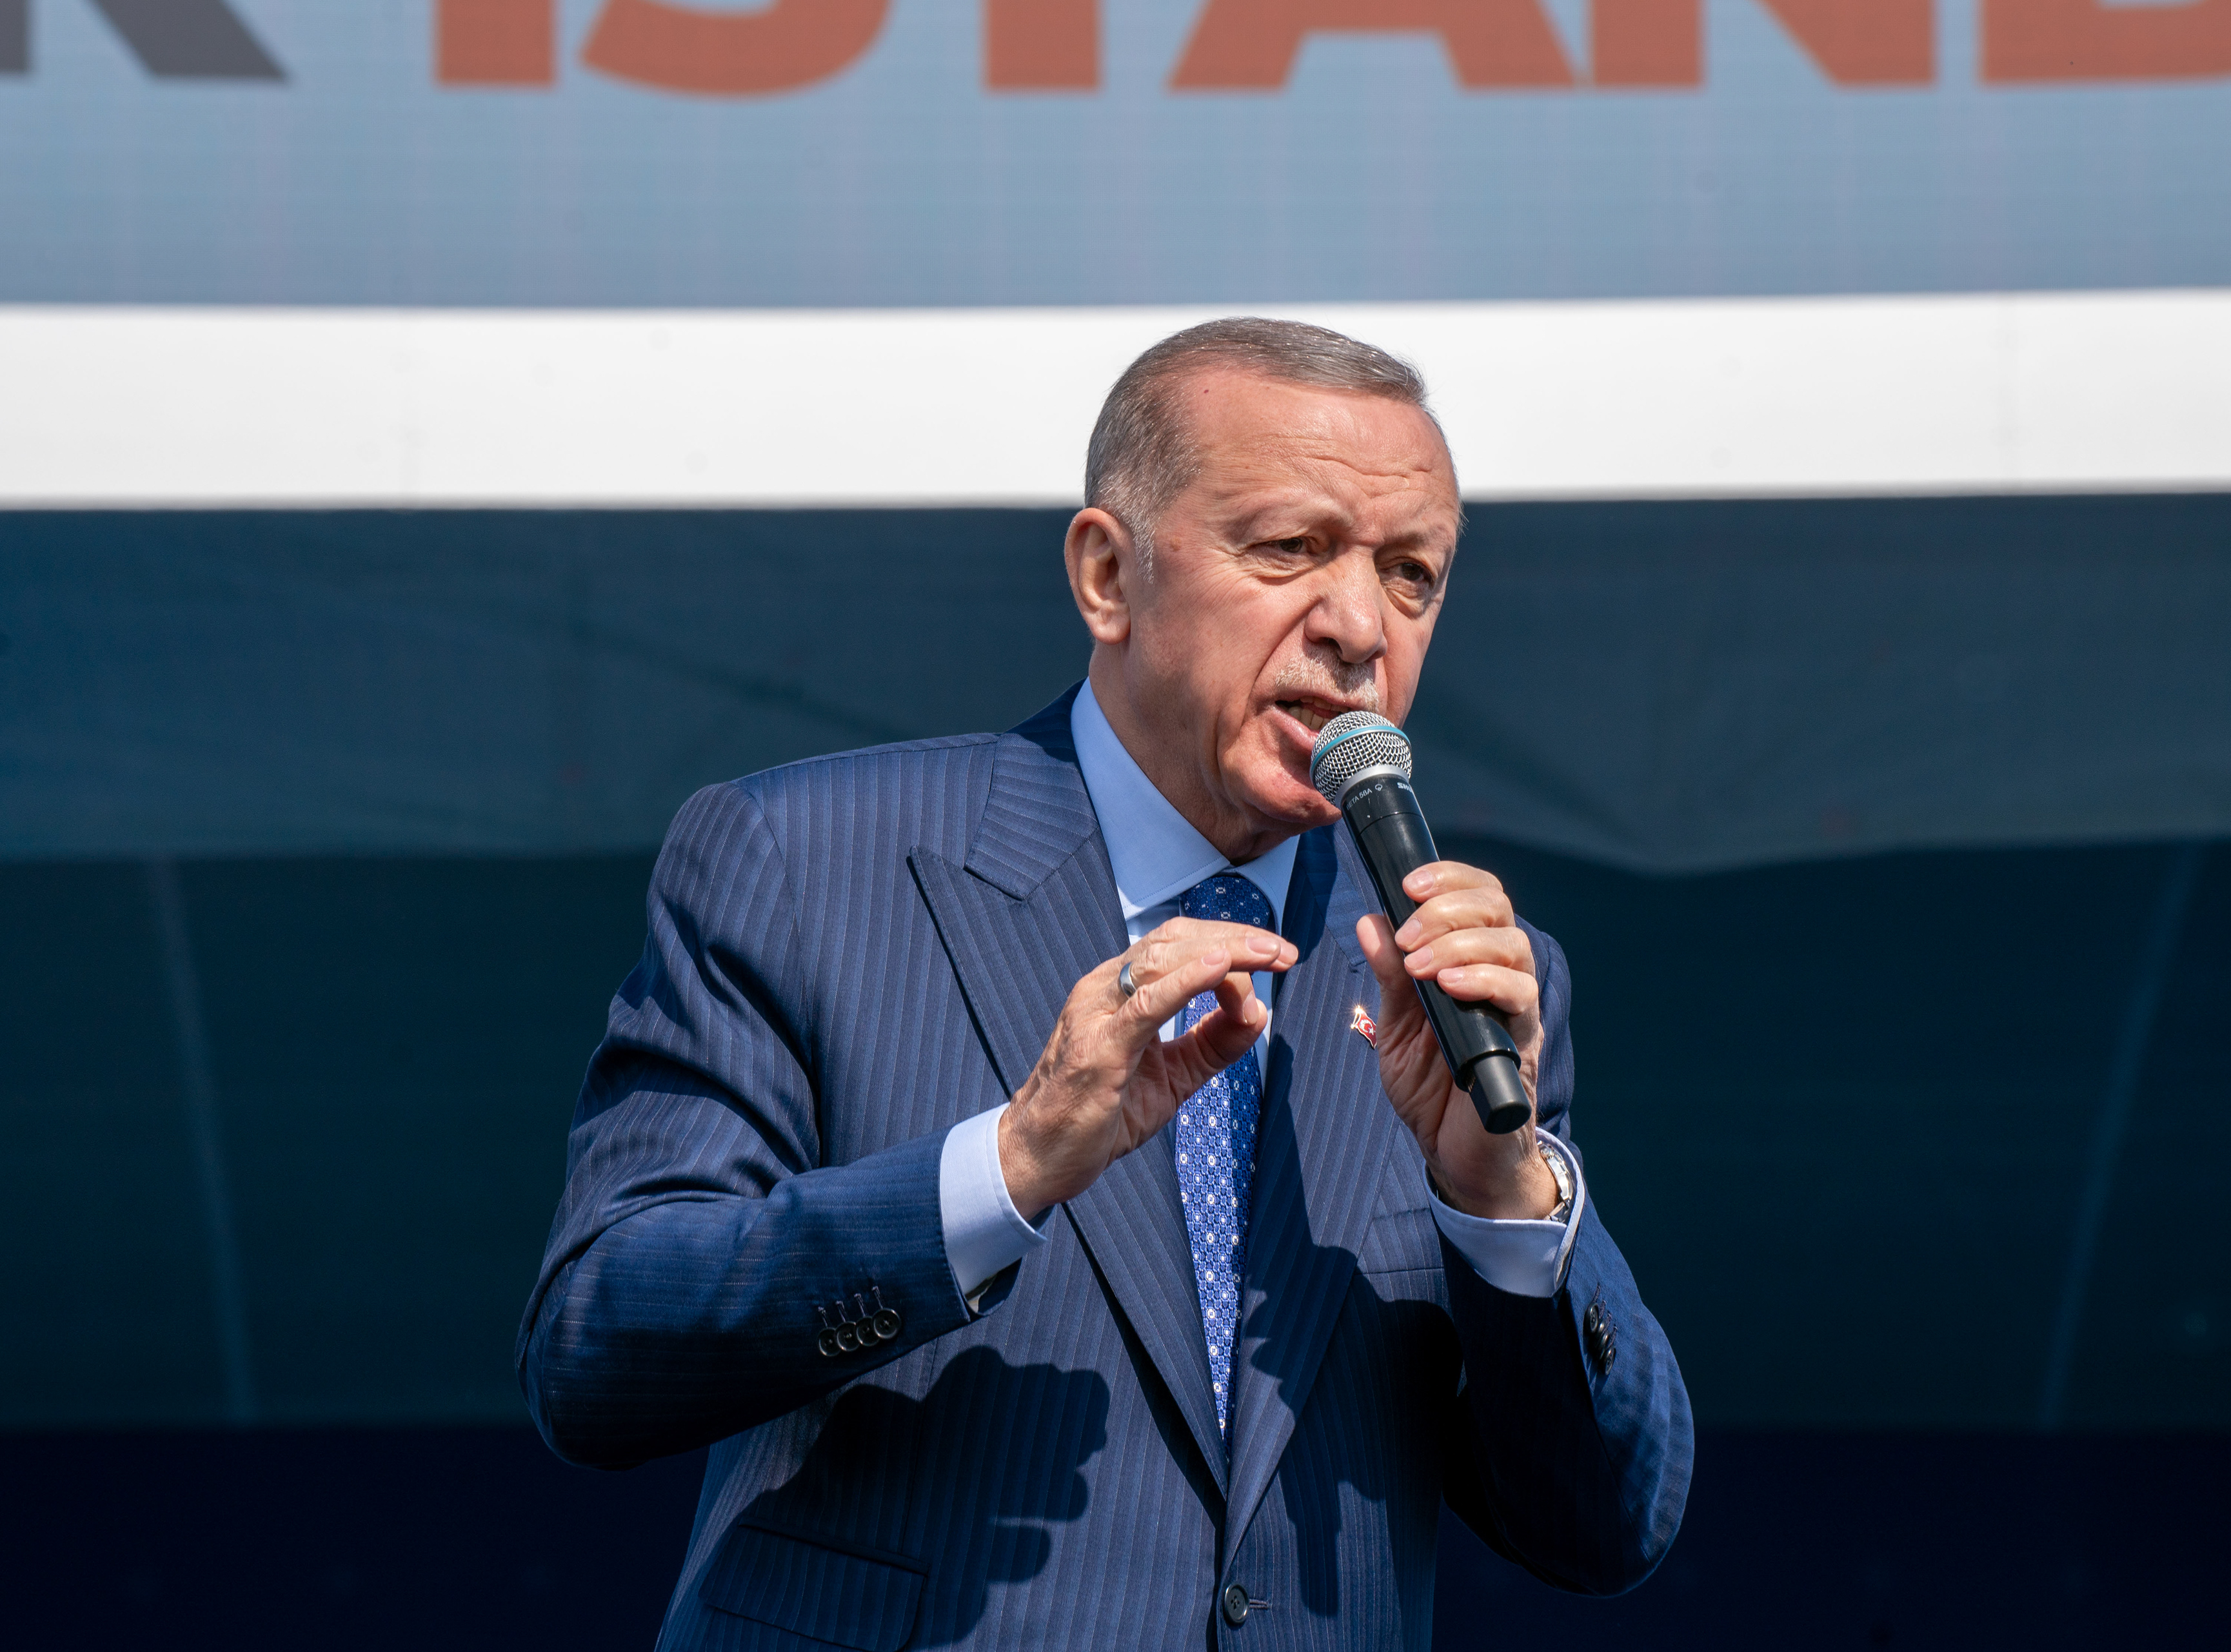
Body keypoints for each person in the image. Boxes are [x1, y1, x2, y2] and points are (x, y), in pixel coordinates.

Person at [519, 319, 1692, 1650]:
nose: (1361, 625)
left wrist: (1501, 1202)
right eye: (1291, 548)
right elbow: (597, 1350)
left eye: (1412, 575)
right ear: (1107, 575)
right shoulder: (804, 860)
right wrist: (1001, 1171)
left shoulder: (1468, 980)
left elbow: (1603, 1531)